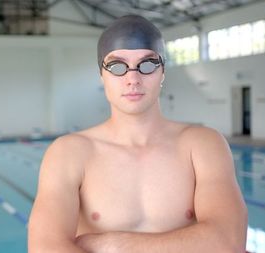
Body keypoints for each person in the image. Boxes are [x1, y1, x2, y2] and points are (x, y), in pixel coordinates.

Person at [28, 15, 247, 253]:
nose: (133, 79)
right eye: (117, 66)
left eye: (148, 64)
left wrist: (115, 245)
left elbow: (228, 241)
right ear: (102, 74)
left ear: (162, 71)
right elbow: (45, 247)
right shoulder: (68, 153)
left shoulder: (203, 145)